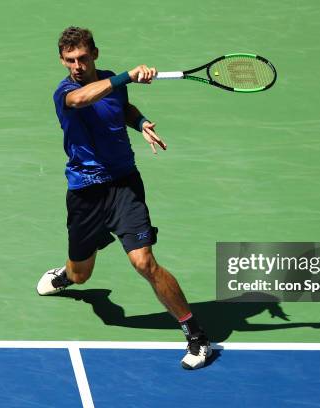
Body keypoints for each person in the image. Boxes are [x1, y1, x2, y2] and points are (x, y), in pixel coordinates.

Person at [36, 26, 211, 370]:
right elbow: (87, 98)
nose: (76, 65)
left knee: (144, 262)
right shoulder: (66, 93)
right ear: (62, 61)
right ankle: (68, 276)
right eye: (70, 60)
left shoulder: (109, 85)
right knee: (81, 274)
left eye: (83, 58)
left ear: (95, 55)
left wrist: (141, 121)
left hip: (124, 186)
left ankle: (197, 335)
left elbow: (122, 106)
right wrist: (127, 76)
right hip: (86, 193)